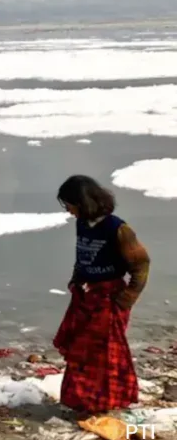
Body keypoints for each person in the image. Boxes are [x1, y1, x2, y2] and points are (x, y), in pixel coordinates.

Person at [53, 175, 150, 417]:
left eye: (69, 205)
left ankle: (105, 402)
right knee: (80, 350)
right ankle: (83, 401)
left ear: (82, 202)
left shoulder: (118, 229)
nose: (69, 211)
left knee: (105, 354)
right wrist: (77, 278)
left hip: (109, 298)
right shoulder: (83, 224)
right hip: (86, 296)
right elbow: (83, 255)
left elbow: (141, 264)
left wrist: (126, 299)